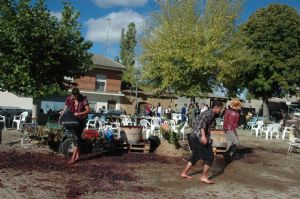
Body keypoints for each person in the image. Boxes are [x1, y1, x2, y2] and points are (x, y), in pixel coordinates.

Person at [180, 101, 223, 184]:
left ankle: (184, 173)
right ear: (216, 107)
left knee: (196, 155)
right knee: (209, 157)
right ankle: (204, 177)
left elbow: (213, 118)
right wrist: (203, 136)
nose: (221, 110)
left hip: (193, 136)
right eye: (220, 108)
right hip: (198, 137)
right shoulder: (209, 114)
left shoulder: (209, 112)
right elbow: (202, 124)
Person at [60, 88, 90, 164]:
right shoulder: (69, 98)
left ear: (78, 94)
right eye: (74, 95)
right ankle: (77, 156)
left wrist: (79, 113)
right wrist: (61, 117)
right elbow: (65, 108)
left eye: (76, 95)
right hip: (73, 120)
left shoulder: (83, 99)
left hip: (81, 121)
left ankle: (73, 158)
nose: (75, 97)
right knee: (76, 138)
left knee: (76, 138)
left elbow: (88, 110)